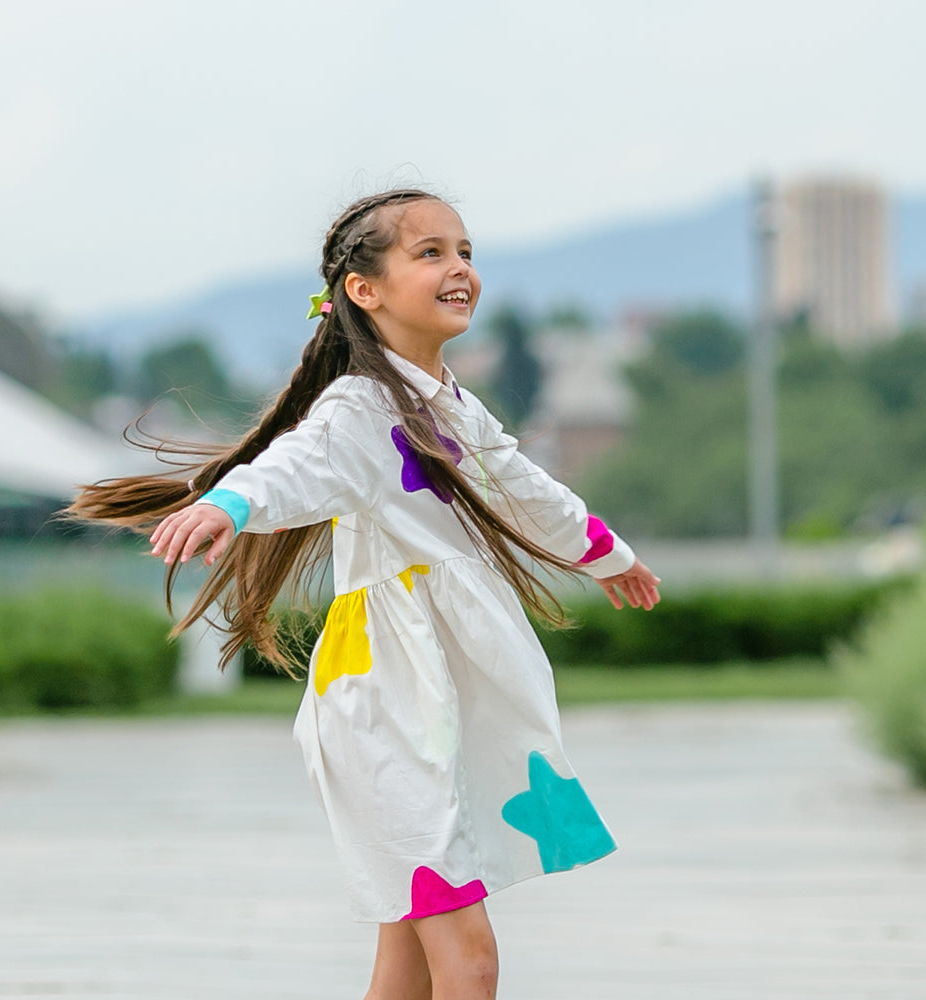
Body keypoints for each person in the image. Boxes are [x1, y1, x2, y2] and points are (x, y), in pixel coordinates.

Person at [68, 188, 660, 1000]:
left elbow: (527, 491)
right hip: (387, 699)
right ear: (363, 289)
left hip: (443, 690)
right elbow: (297, 465)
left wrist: (608, 555)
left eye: (465, 251)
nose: (459, 269)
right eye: (431, 253)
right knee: (468, 957)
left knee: (406, 960)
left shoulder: (453, 407)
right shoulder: (357, 408)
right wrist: (229, 503)